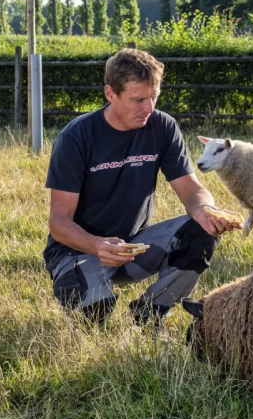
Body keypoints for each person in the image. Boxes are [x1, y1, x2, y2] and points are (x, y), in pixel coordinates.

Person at [44, 48, 240, 326]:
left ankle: (150, 311)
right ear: (110, 94)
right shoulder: (76, 136)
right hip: (78, 250)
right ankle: (89, 294)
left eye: (154, 97)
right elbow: (58, 222)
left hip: (134, 248)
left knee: (200, 231)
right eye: (138, 100)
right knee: (94, 316)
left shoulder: (163, 127)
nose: (148, 108)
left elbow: (191, 189)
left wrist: (206, 210)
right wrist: (97, 245)